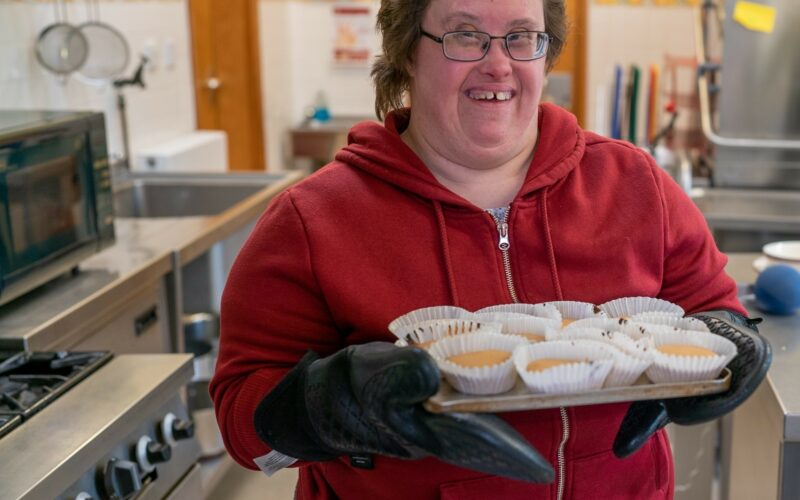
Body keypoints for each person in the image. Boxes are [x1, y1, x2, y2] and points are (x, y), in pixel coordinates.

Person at [210, 0, 770, 498]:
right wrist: (320, 404)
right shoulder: (312, 221)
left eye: (522, 36)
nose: (498, 63)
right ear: (408, 49)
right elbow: (243, 428)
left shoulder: (635, 184)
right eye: (464, 33)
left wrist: (732, 337)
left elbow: (711, 308)